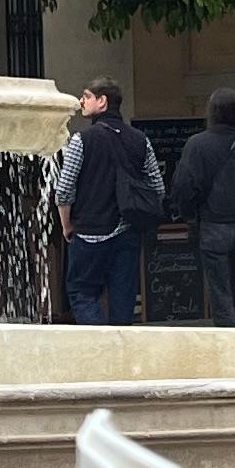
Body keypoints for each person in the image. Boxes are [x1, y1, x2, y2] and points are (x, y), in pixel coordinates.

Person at [55, 80, 164, 327]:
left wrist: (66, 225)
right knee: (123, 299)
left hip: (89, 233)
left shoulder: (81, 139)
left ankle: (100, 346)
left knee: (81, 293)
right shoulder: (140, 140)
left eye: (86, 96)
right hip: (128, 232)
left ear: (102, 101)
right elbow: (158, 187)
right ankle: (120, 355)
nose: (81, 101)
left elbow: (63, 190)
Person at [168, 88, 235, 326]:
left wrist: (189, 216)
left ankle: (228, 342)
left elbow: (184, 185)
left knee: (220, 292)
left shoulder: (197, 144)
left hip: (213, 226)